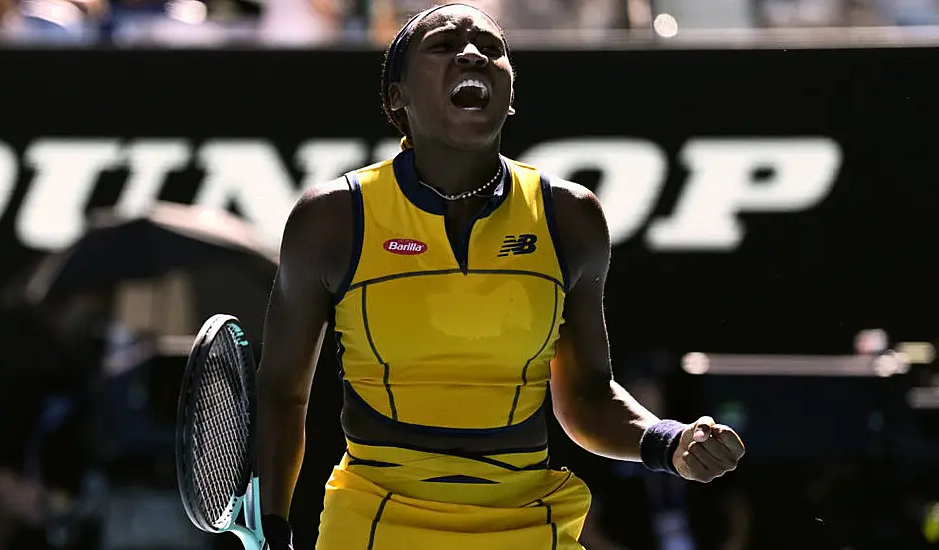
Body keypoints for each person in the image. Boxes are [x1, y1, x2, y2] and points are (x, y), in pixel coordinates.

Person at [256, 4, 746, 549]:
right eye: (444, 46)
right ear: (397, 96)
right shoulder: (330, 219)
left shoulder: (571, 216)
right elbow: (282, 393)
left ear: (510, 94)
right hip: (375, 519)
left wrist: (668, 441)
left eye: (491, 49)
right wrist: (273, 526)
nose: (472, 54)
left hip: (527, 522)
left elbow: (585, 395)